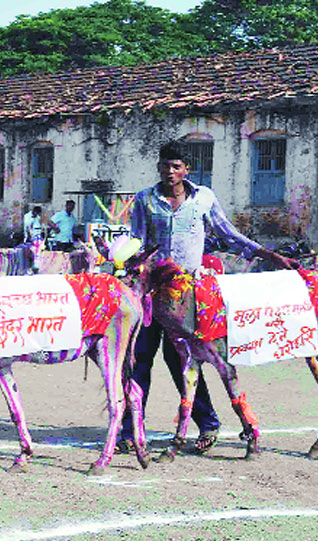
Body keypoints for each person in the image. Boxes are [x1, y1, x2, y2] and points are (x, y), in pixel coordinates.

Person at [118, 140, 295, 454]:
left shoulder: (203, 199)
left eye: (176, 166)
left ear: (187, 170)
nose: (169, 171)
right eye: (164, 165)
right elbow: (138, 239)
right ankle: (131, 431)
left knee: (184, 363)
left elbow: (227, 234)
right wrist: (123, 259)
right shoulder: (146, 200)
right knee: (139, 360)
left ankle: (208, 423)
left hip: (188, 297)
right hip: (151, 295)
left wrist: (270, 255)